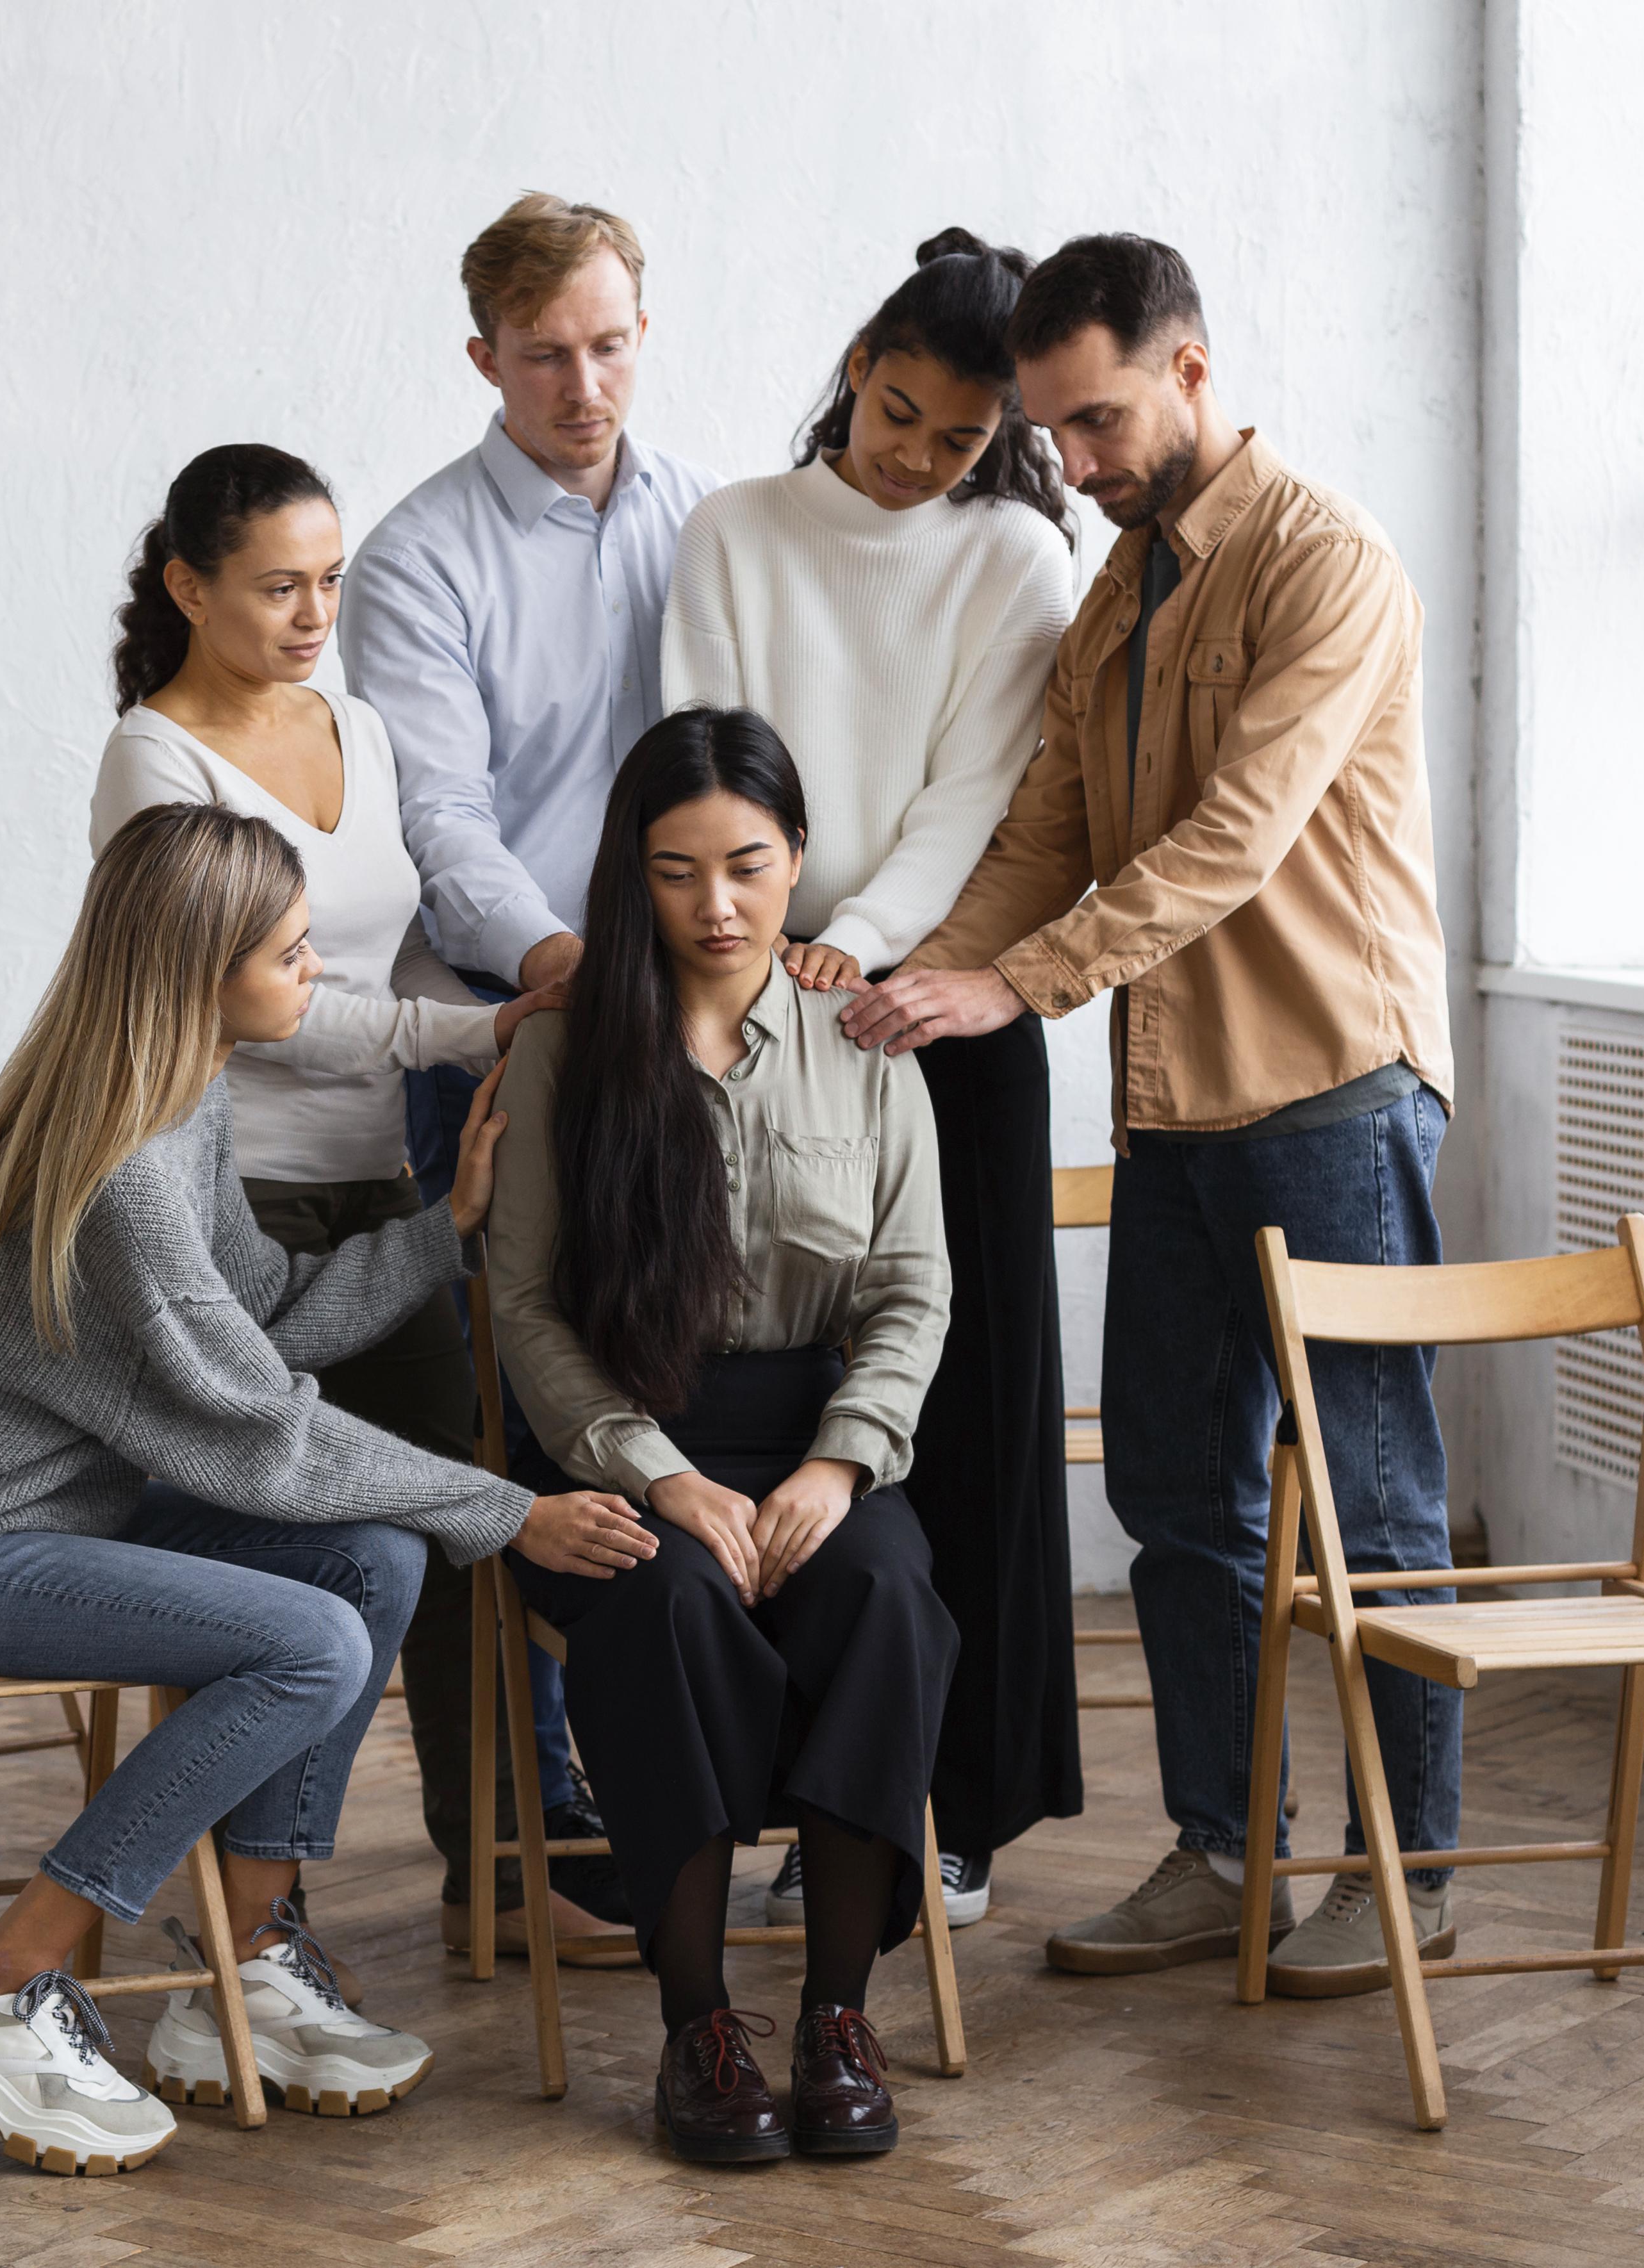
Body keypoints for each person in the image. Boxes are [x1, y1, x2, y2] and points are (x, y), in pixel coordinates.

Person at [0, 803, 656, 2173]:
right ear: (197, 970)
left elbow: (260, 1323)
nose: (313, 973)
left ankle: (248, 1972)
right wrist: (506, 1511)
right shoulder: (124, 1172)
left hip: (46, 1527)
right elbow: (262, 1424)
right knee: (311, 1634)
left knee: (369, 1560)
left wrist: (442, 1230)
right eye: (291, 951)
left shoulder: (181, 1097)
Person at [839, 234, 1461, 1998]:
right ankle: (1224, 1853)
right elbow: (1045, 828)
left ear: (1188, 367)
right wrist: (895, 977)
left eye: (1097, 420)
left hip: (1332, 1090)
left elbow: (1229, 841)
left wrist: (1012, 987)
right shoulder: (1113, 590)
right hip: (1174, 1111)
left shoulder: (1326, 563)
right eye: (1053, 432)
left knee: (1376, 1502)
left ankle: (1406, 1874)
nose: (1078, 463)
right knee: (1182, 1502)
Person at [86, 441, 631, 1969]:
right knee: (264, 1539)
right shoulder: (155, 757)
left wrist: (495, 1007)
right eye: (278, 587)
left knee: (450, 1524)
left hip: (376, 1183)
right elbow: (263, 995)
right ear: (190, 588)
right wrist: (481, 1032)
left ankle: (503, 1874)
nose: (316, 612)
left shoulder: (360, 729)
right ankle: (260, 1917)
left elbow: (388, 962)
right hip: (228, 1197)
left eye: (330, 580)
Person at [662, 227, 1083, 1935]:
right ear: (853, 362)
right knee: (756, 1397)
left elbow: (977, 789)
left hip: (932, 1015)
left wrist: (873, 952)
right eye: (895, 413)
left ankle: (957, 1809)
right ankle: (786, 1802)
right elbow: (703, 745)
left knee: (964, 1416)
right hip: (739, 994)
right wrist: (770, 953)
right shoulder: (733, 531)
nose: (914, 458)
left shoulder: (1017, 559)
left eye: (956, 440)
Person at [488, 707, 958, 2164]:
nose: (718, 905)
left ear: (799, 859)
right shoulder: (571, 1052)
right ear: (634, 874)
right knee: (669, 1601)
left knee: (885, 1594)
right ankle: (697, 2026)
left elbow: (912, 1286)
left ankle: (833, 2014)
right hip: (625, 1444)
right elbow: (524, 1309)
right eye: (677, 871)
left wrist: (841, 1459)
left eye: (749, 866)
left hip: (815, 1433)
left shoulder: (865, 1042)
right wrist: (659, 1474)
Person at [345, 188, 721, 1954]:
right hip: (508, 1034)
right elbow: (439, 823)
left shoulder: (704, 525)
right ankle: (514, 1830)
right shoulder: (420, 554)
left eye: (610, 346)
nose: (584, 386)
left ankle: (669, 1779)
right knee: (483, 1438)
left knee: (656, 1404)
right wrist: (577, 974)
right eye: (546, 355)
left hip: (677, 1041)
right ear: (481, 357)